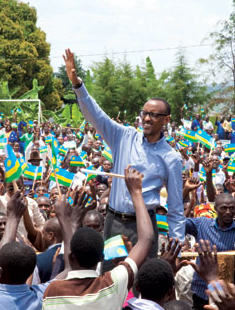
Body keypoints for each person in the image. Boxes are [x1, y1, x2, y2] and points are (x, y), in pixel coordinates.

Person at [63, 48, 185, 256]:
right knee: (110, 280)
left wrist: (177, 243)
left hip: (144, 227)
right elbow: (96, 116)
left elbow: (175, 207)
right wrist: (77, 84)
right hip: (113, 222)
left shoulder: (172, 158)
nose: (146, 118)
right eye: (144, 113)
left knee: (142, 282)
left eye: (154, 115)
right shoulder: (124, 137)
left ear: (166, 120)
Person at [42, 166, 154, 309]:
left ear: (71, 257)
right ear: (102, 257)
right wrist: (136, 192)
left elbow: (68, 268)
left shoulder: (52, 292)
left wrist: (64, 219)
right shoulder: (113, 283)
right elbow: (146, 239)